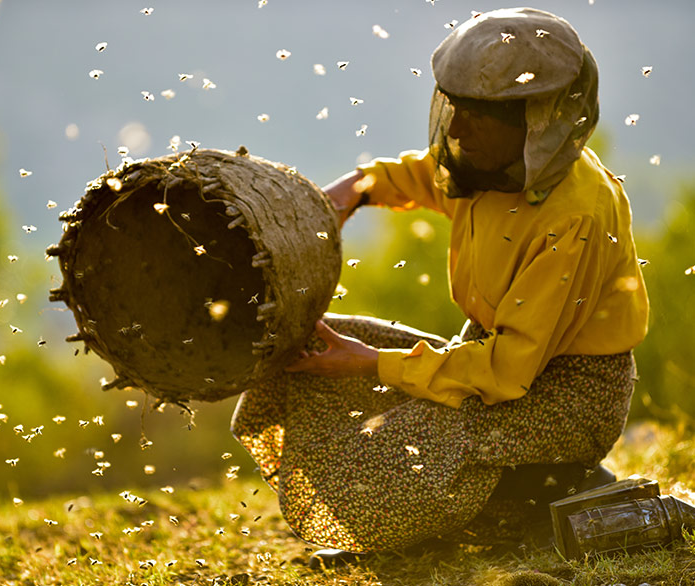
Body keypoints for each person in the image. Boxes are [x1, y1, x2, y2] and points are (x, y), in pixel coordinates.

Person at [230, 7, 649, 564]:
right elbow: (424, 175)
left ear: (538, 116)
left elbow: (505, 371)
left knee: (397, 447)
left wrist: (367, 365)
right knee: (312, 352)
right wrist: (354, 190)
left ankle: (545, 489)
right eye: (456, 107)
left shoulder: (575, 216)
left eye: (478, 114)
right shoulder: (491, 164)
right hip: (491, 362)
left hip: (567, 397)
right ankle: (512, 496)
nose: (455, 129)